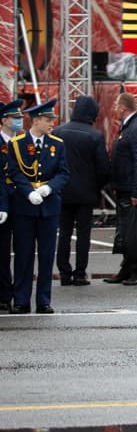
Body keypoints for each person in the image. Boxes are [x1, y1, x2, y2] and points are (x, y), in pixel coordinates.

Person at [8, 99, 68, 314]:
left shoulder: (57, 144)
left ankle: (44, 300)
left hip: (49, 205)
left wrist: (49, 188)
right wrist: (28, 191)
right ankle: (21, 299)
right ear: (35, 121)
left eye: (51, 119)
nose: (51, 123)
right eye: (47, 119)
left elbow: (63, 173)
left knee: (46, 254)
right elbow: (13, 171)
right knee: (23, 254)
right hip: (25, 205)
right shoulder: (17, 144)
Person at [53, 95, 108, 287]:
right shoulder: (95, 135)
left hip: (62, 191)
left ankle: (64, 273)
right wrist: (98, 188)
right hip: (86, 194)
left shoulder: (58, 131)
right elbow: (102, 168)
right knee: (83, 234)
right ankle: (79, 273)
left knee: (64, 233)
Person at [104, 93, 137, 287]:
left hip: (132, 189)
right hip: (123, 187)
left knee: (135, 232)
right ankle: (126, 268)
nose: (115, 107)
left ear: (123, 107)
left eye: (116, 104)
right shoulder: (128, 127)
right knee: (125, 231)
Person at [0, 100, 25, 309]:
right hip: (4, 203)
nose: (19, 121)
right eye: (15, 118)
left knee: (24, 251)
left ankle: (21, 295)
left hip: (24, 202)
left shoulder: (23, 142)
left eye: (20, 117)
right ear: (4, 120)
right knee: (2, 252)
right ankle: (4, 294)